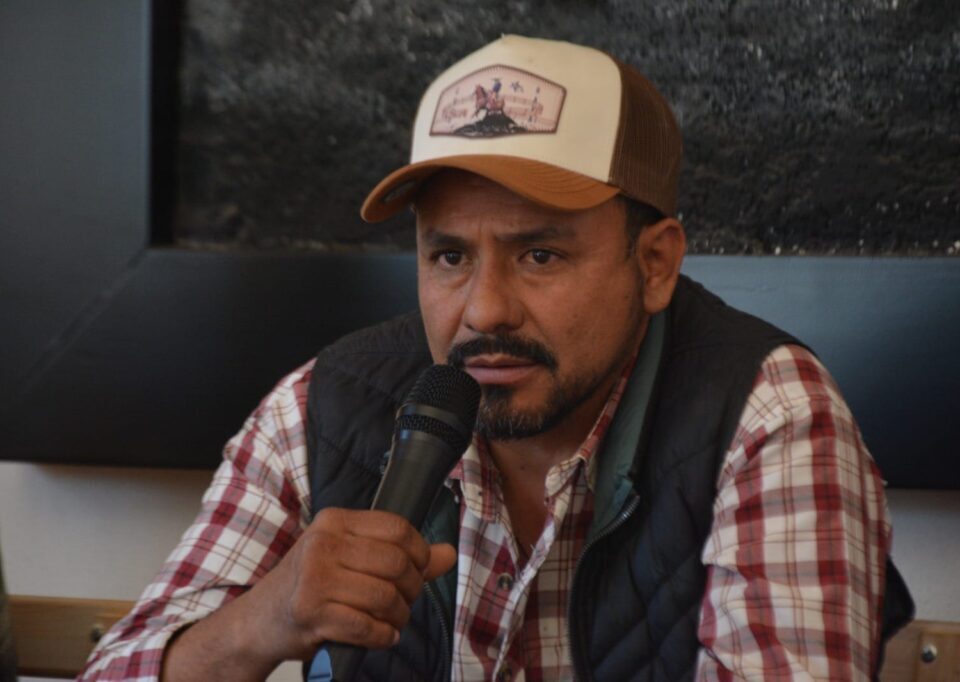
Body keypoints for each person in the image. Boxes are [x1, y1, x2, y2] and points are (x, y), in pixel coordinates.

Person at [80, 35, 911, 681]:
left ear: (655, 264)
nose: (483, 310)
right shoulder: (325, 406)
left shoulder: (768, 416)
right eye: (449, 257)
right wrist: (262, 622)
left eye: (539, 255)